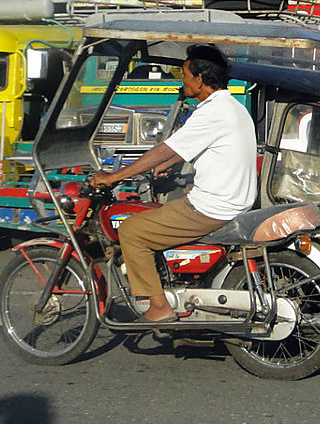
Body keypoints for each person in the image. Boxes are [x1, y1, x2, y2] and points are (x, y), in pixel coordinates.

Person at [92, 44, 258, 322]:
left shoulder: (210, 112)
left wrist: (114, 177)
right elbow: (186, 151)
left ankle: (159, 306)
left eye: (184, 75)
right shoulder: (232, 107)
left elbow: (164, 150)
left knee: (132, 231)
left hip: (213, 206)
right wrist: (167, 165)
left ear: (200, 79)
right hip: (235, 200)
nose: (182, 81)